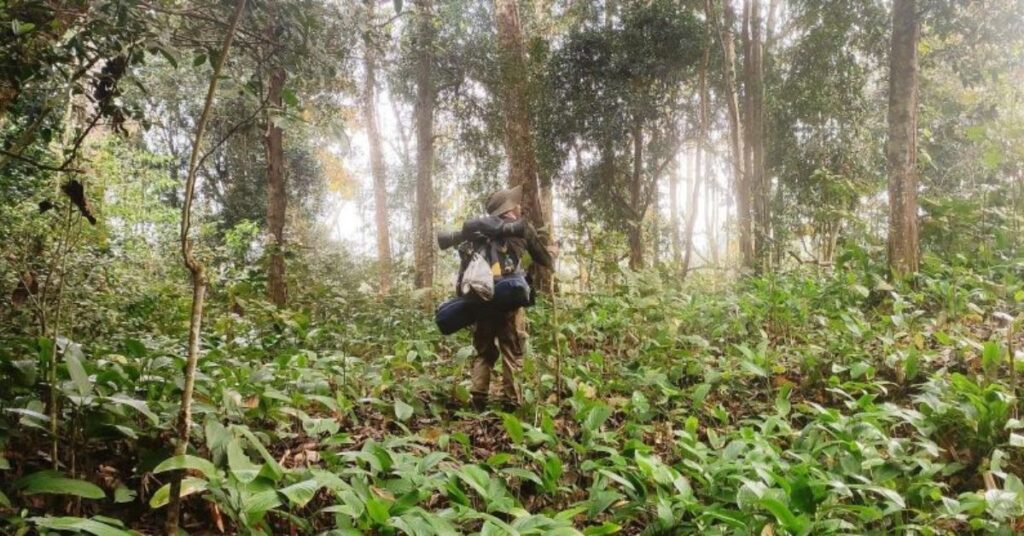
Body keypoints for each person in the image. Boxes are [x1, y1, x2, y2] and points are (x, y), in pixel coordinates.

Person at [470, 184, 553, 410]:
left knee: (484, 351)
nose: (518, 206)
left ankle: (478, 399)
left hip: (481, 298)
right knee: (511, 349)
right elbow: (545, 259)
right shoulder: (520, 230)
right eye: (514, 203)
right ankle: (511, 401)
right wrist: (551, 254)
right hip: (508, 301)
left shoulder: (478, 232)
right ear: (508, 208)